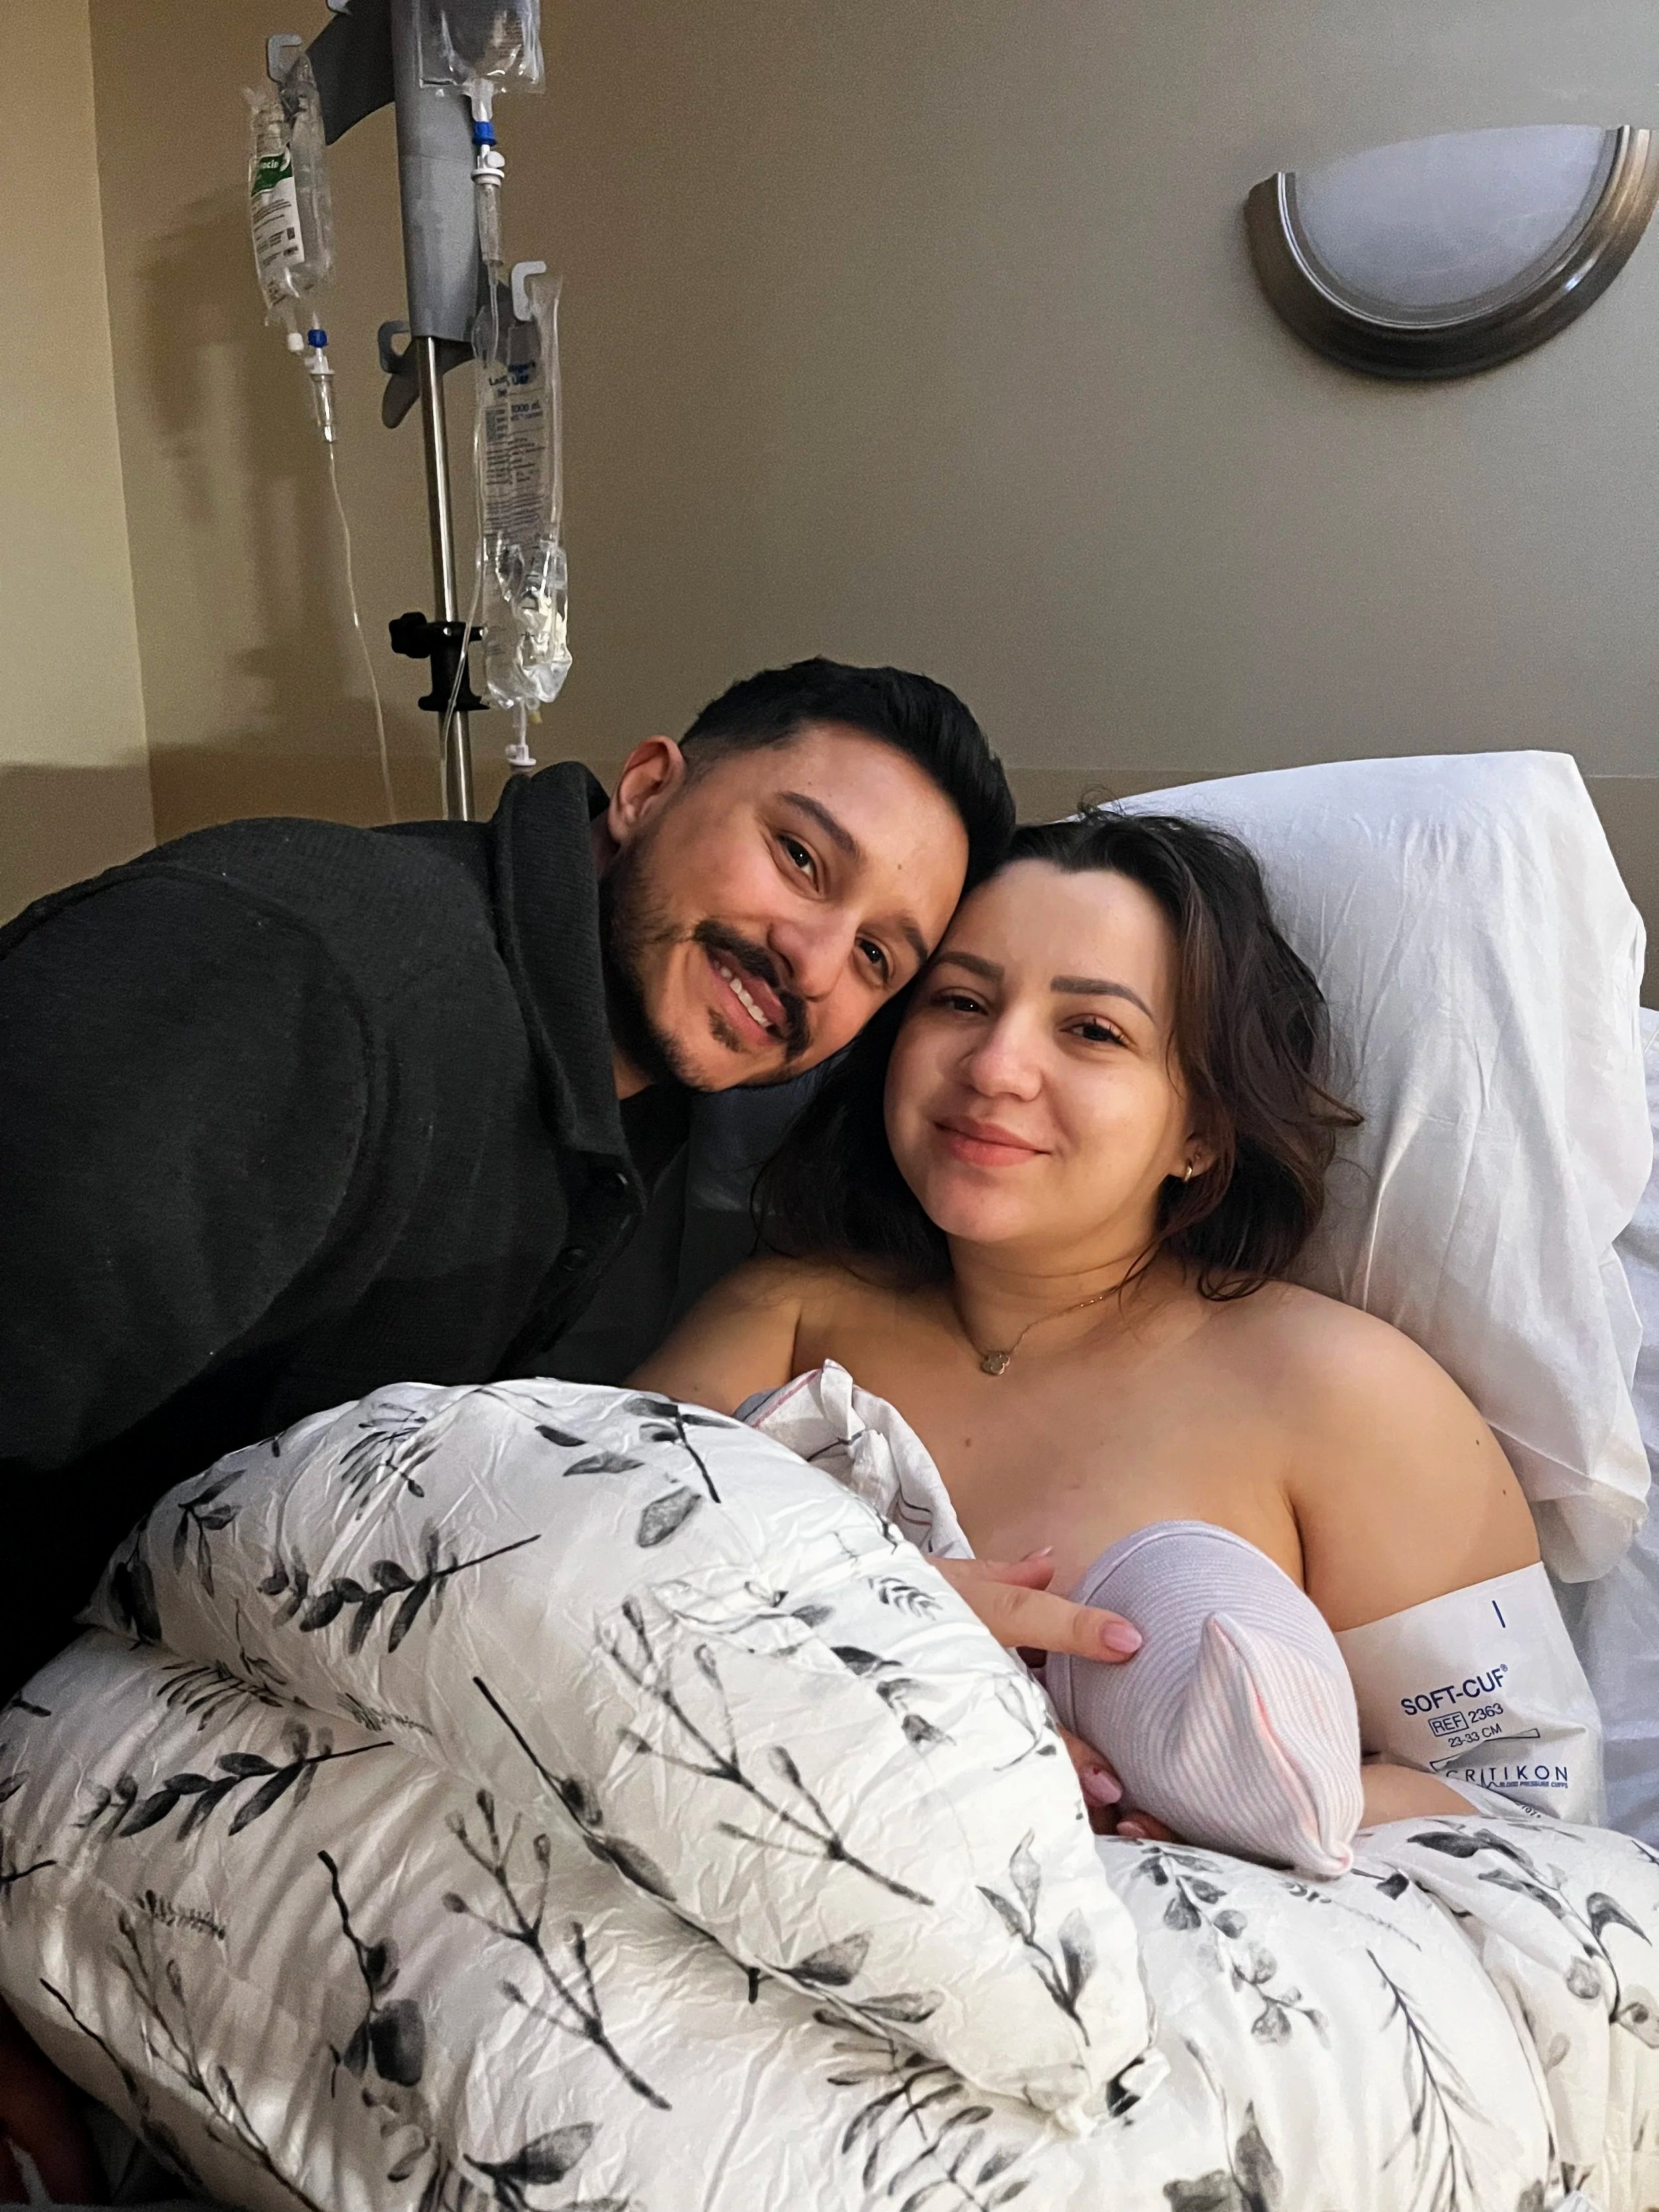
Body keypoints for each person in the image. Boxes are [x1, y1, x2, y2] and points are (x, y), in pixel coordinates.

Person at [636, 807, 1557, 1836]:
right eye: (960, 1000)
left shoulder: (1341, 1393)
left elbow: (1527, 1790)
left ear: (1202, 1130)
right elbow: (555, 1587)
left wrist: (1224, 1820)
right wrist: (855, 1638)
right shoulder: (783, 1317)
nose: (994, 1066)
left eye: (1093, 1029)